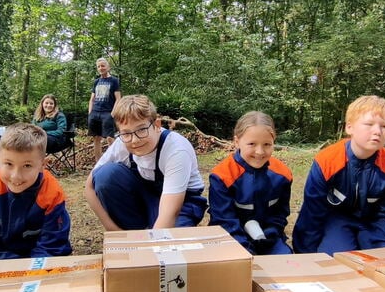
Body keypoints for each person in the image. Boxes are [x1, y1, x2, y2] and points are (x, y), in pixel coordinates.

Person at [292, 95, 385, 255]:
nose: (377, 131)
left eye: (384, 126)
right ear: (349, 128)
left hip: (373, 222)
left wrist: (384, 247)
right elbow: (312, 212)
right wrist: (305, 254)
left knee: (383, 260)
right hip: (337, 220)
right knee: (337, 258)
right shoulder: (327, 161)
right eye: (369, 124)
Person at [85, 95, 207, 231]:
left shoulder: (176, 149)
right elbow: (89, 187)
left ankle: (149, 238)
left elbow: (169, 213)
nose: (134, 140)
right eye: (126, 133)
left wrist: (151, 247)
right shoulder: (122, 142)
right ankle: (136, 230)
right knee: (105, 175)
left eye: (142, 129)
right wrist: (114, 230)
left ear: (157, 125)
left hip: (180, 202)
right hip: (144, 195)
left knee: (171, 242)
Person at [0, 123, 72, 259]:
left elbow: (53, 243)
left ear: (43, 165)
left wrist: (32, 269)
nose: (16, 176)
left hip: (38, 258)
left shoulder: (52, 194)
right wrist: (8, 261)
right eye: (8, 164)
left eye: (27, 165)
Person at [208, 111, 293, 255]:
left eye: (267, 144)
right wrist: (246, 250)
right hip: (231, 238)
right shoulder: (222, 176)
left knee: (285, 259)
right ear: (237, 142)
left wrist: (271, 233)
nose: (259, 152)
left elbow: (280, 213)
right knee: (240, 267)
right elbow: (224, 220)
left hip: (267, 238)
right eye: (252, 144)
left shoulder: (283, 175)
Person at [88, 57, 121, 161]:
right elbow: (92, 99)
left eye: (103, 66)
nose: (101, 68)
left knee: (110, 138)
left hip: (107, 113)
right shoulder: (96, 81)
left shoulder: (114, 81)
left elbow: (118, 98)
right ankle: (98, 162)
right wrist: (90, 113)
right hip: (95, 113)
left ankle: (114, 161)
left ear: (108, 67)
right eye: (98, 66)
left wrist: (112, 114)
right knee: (96, 139)